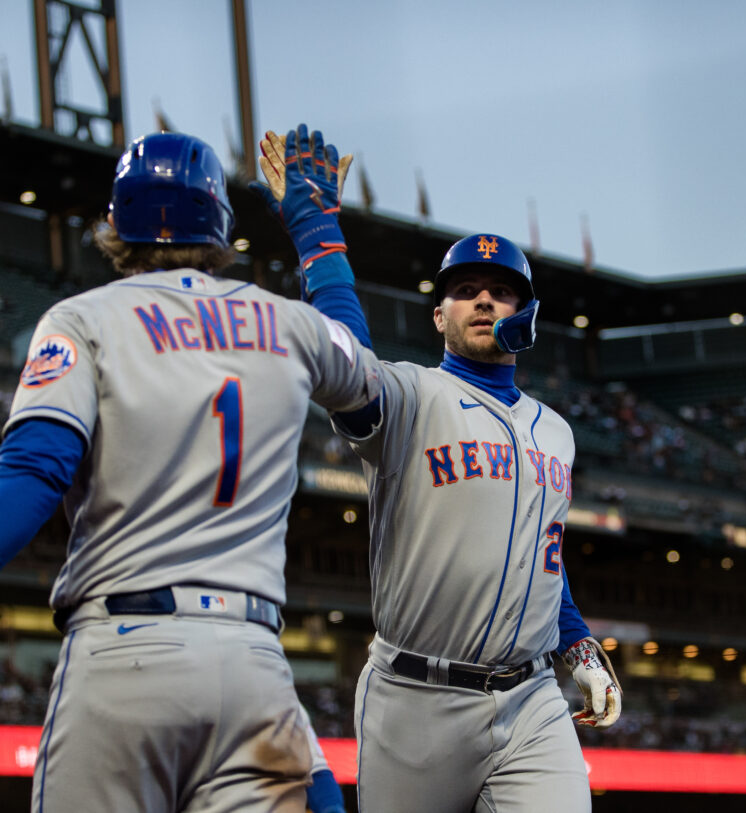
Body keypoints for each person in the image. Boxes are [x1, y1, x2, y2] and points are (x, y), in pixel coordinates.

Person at [0, 131, 382, 812]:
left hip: (122, 658)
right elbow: (369, 385)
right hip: (250, 663)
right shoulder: (288, 323)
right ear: (220, 224)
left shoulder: (85, 318)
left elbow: (37, 465)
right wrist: (317, 228)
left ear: (116, 223)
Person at [254, 125, 621, 813]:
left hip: (531, 699)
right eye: (467, 290)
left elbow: (542, 554)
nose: (484, 300)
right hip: (416, 699)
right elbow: (345, 358)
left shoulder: (558, 434)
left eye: (502, 291)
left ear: (527, 314)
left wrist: (578, 646)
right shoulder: (411, 395)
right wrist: (316, 233)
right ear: (438, 316)